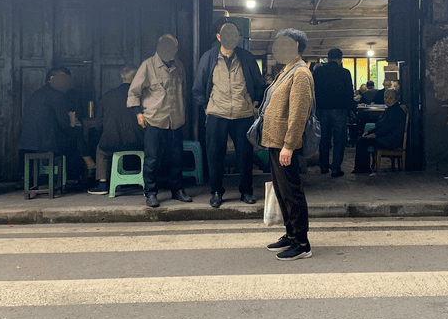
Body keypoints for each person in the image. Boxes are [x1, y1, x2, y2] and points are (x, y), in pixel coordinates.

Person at [192, 21, 265, 208]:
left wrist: (254, 103)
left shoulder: (247, 58)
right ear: (218, 37)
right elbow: (198, 88)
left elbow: (258, 84)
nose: (231, 38)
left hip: (243, 114)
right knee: (215, 154)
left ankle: (246, 191)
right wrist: (207, 108)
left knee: (245, 155)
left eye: (234, 34)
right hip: (217, 113)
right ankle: (216, 192)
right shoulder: (208, 58)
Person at [262, 29, 314, 261]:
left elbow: (299, 113)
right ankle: (291, 234)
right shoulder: (286, 71)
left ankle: (302, 243)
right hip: (275, 140)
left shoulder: (301, 73)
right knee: (282, 190)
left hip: (286, 142)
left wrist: (289, 145)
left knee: (291, 191)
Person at [128, 34, 192, 208]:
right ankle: (151, 193)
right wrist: (138, 113)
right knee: (152, 159)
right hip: (154, 119)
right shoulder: (148, 65)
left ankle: (177, 190)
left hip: (175, 120)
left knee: (176, 158)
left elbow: (183, 91)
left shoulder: (179, 66)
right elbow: (134, 92)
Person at [18, 67, 96, 176]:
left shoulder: (34, 95)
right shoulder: (57, 95)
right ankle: (85, 167)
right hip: (45, 144)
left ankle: (87, 165)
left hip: (26, 143)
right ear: (51, 78)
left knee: (74, 134)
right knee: (77, 133)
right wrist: (72, 120)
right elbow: (64, 125)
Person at [87, 65, 146, 195]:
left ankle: (102, 184)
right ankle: (151, 180)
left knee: (101, 151)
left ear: (121, 77)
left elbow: (99, 123)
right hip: (139, 142)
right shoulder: (143, 95)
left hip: (112, 143)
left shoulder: (108, 95)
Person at [313, 48, 356, 178]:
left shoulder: (318, 72)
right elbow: (349, 93)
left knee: (324, 139)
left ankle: (324, 166)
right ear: (340, 59)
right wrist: (351, 109)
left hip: (322, 110)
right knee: (339, 140)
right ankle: (336, 168)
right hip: (339, 110)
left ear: (328, 57)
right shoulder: (344, 73)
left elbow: (313, 91)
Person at [353, 89, 405, 173]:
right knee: (361, 139)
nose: (387, 100)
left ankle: (363, 168)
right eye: (385, 97)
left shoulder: (396, 111)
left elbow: (388, 128)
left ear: (396, 99)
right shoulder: (388, 110)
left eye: (390, 98)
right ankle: (361, 168)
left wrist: (375, 135)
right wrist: (369, 132)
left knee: (363, 142)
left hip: (390, 140)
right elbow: (379, 125)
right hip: (384, 137)